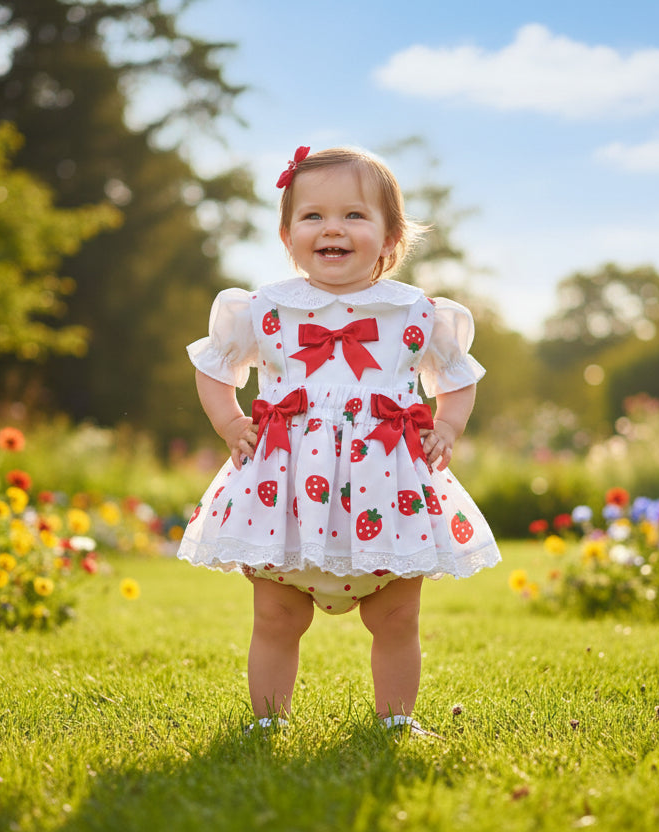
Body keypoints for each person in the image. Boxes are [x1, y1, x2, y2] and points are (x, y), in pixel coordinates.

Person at [177, 145, 500, 736]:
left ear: (390, 238)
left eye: (354, 215)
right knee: (276, 615)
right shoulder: (264, 308)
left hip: (388, 488)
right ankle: (269, 722)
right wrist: (230, 424)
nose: (332, 228)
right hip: (287, 490)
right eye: (312, 216)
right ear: (287, 233)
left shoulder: (417, 312)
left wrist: (448, 425)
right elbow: (216, 367)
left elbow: (457, 378)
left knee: (398, 616)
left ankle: (396, 719)